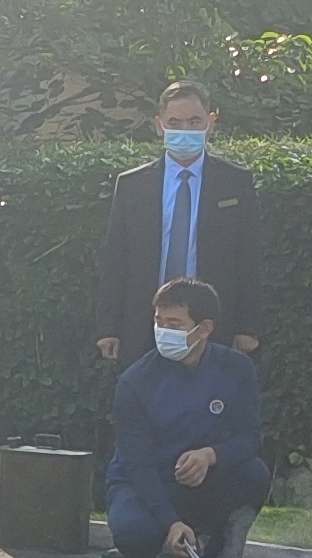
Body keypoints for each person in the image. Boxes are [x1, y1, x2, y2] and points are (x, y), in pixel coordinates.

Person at [107, 278, 267, 558]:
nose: (163, 331)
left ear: (204, 328)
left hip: (205, 479)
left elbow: (250, 436)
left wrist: (212, 456)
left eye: (174, 324)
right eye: (158, 322)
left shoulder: (237, 368)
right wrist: (172, 522)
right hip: (146, 482)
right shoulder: (134, 382)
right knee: (134, 529)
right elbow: (136, 463)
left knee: (254, 475)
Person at [94, 80, 265, 374]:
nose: (184, 130)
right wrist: (108, 327)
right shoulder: (132, 185)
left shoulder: (235, 183)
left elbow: (249, 258)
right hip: (144, 323)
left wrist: (248, 327)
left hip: (212, 324)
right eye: (175, 122)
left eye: (194, 121)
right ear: (159, 125)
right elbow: (116, 259)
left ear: (210, 123)